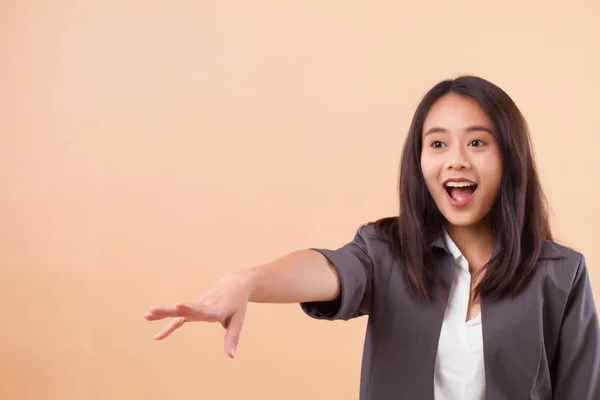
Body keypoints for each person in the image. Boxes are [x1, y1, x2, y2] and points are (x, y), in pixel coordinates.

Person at [143, 76, 600, 399]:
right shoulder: (388, 251)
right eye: (437, 143)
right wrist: (248, 281)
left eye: (477, 142)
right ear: (419, 161)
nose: (456, 160)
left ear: (510, 156)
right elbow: (330, 269)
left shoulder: (561, 274)